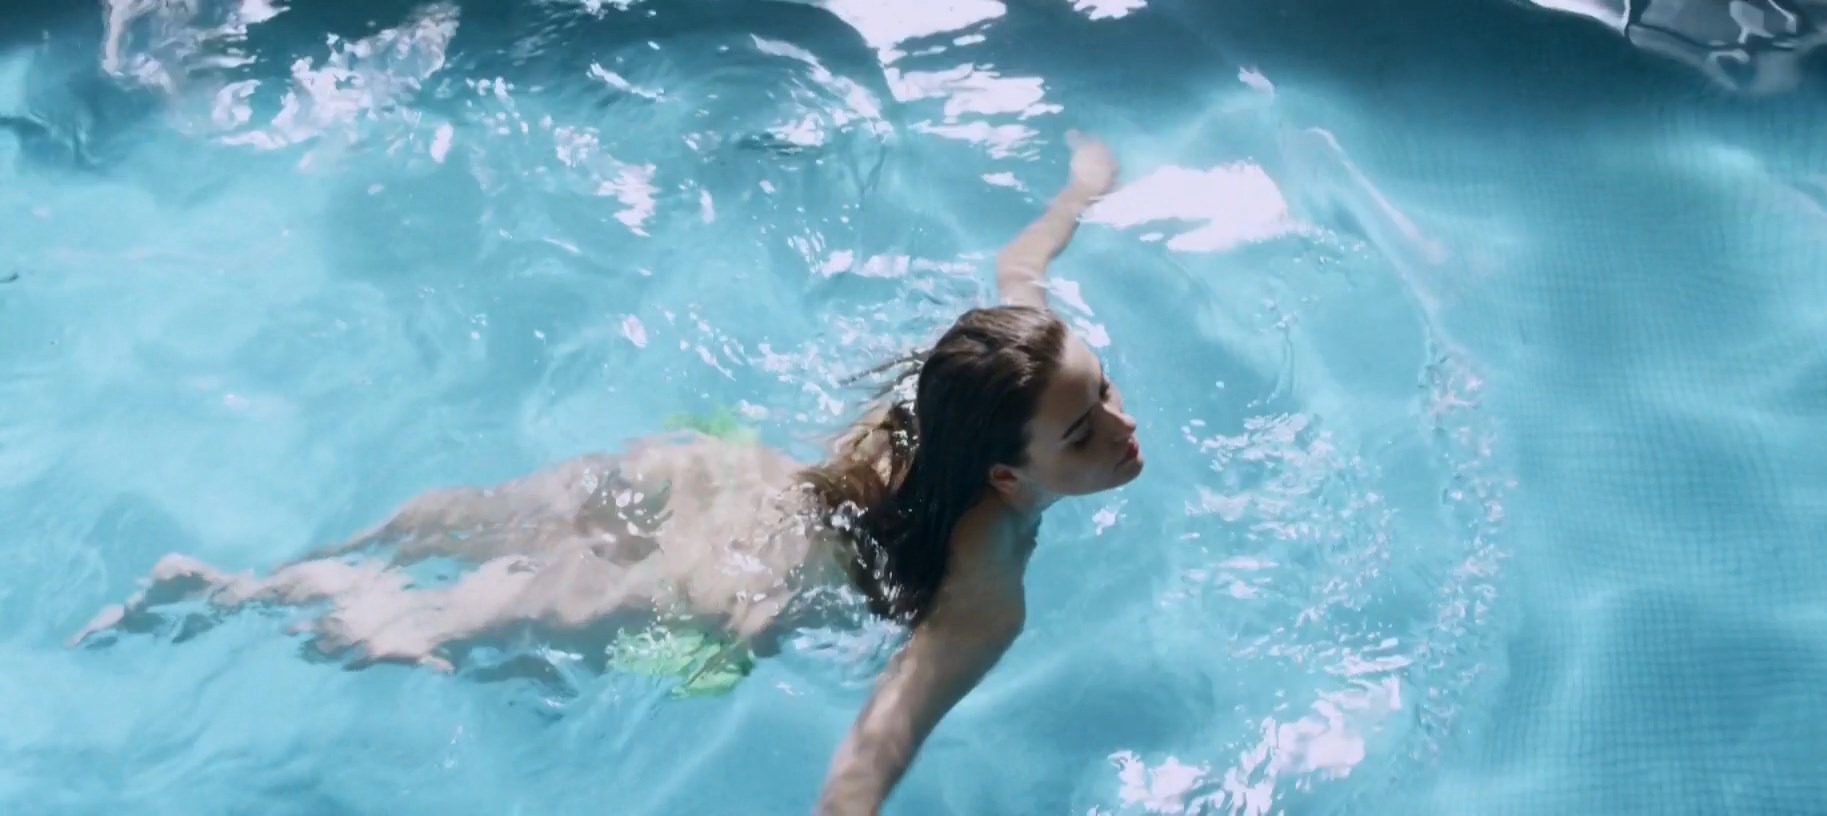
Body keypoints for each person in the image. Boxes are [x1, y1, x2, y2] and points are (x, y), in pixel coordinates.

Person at [68, 132, 1143, 813]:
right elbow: (880, 741)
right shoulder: (990, 571)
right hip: (731, 579)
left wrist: (1079, 191)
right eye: (1085, 427)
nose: (1120, 427)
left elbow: (1019, 270)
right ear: (1007, 478)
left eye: (1102, 397)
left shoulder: (1000, 371)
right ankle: (248, 596)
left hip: (715, 473)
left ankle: (246, 585)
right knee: (441, 625)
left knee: (462, 525)